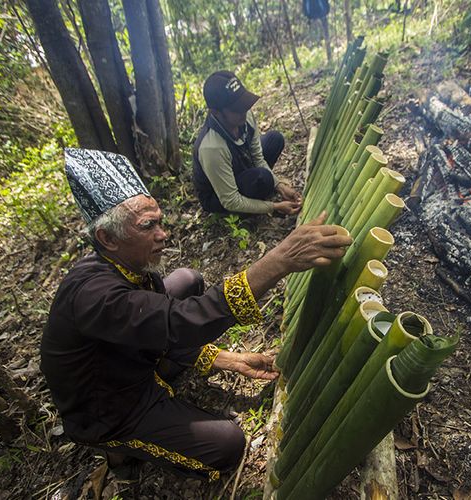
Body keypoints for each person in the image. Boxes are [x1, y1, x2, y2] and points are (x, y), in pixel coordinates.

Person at [40, 148, 351, 481]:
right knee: (228, 445)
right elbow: (177, 323)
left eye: (160, 221)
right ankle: (118, 450)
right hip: (111, 405)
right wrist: (278, 261)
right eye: (148, 227)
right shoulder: (95, 295)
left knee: (187, 280)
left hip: (127, 353)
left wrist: (225, 359)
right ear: (107, 238)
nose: (163, 234)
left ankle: (161, 378)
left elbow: (156, 321)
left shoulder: (123, 265)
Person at [192, 70, 302, 216]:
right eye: (236, 109)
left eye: (244, 105)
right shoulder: (212, 148)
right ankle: (251, 201)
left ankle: (257, 188)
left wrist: (280, 186)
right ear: (216, 112)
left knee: (274, 139)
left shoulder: (245, 117)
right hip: (219, 195)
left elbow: (257, 157)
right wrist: (274, 206)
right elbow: (230, 200)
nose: (243, 112)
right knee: (262, 179)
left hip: (240, 165)